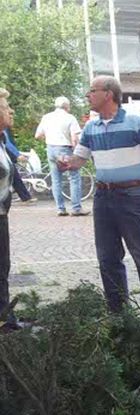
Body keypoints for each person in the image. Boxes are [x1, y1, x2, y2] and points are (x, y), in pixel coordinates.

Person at [58, 76, 140, 313]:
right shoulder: (91, 126)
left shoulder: (135, 122)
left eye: (92, 90)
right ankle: (118, 315)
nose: (87, 95)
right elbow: (79, 159)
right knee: (108, 258)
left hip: (132, 195)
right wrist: (66, 163)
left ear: (108, 94)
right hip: (103, 197)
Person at [35, 96, 87, 216]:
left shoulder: (47, 117)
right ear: (67, 106)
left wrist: (48, 139)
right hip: (64, 149)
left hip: (50, 148)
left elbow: (37, 135)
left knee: (56, 179)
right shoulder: (70, 118)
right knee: (74, 177)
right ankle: (76, 208)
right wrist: (77, 153)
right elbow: (75, 138)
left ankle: (60, 208)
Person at [0, 88, 23, 331]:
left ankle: (4, 319)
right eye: (7, 107)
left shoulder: (2, 141)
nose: (11, 110)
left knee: (1, 270)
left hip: (2, 216)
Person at [2, 127, 34, 203]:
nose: (11, 117)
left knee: (14, 176)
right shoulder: (3, 129)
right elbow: (7, 144)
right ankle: (25, 197)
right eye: (10, 114)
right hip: (4, 158)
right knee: (14, 176)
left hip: (6, 157)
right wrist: (17, 155)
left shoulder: (5, 129)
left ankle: (26, 197)